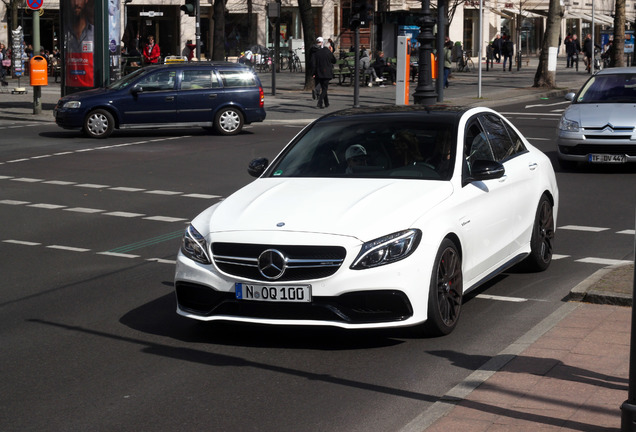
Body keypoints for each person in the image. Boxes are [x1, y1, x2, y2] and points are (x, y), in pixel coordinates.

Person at [310, 38, 336, 109]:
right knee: (325, 89)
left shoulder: (316, 52)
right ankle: (320, 102)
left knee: (323, 87)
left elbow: (313, 64)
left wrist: (313, 73)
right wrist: (331, 52)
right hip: (326, 72)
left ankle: (326, 103)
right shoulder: (327, 51)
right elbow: (334, 61)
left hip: (319, 72)